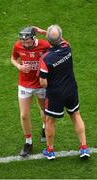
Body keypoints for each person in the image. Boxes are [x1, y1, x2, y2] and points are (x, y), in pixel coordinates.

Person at [39, 25, 90, 160]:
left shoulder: (45, 58)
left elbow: (43, 83)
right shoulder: (67, 47)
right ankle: (84, 147)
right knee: (76, 115)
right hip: (71, 90)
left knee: (50, 120)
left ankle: (50, 150)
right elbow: (61, 40)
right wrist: (45, 32)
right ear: (60, 38)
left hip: (55, 94)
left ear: (48, 41)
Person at [11, 26, 50, 157]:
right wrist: (19, 67)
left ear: (34, 38)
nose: (25, 45)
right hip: (24, 84)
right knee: (24, 115)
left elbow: (63, 47)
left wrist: (45, 32)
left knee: (44, 109)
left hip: (41, 83)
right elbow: (13, 58)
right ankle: (28, 141)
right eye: (23, 42)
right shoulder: (18, 46)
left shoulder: (44, 45)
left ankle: (45, 126)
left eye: (28, 42)